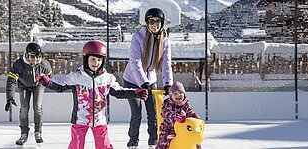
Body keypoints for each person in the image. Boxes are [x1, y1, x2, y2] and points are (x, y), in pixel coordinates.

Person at [35, 40, 149, 149]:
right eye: (93, 59)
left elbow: (119, 92)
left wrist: (135, 93)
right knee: (76, 145)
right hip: (80, 119)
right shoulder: (77, 77)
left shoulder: (107, 78)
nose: (96, 63)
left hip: (100, 120)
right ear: (86, 59)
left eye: (99, 60)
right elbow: (59, 86)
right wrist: (46, 81)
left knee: (103, 145)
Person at [123, 7, 173, 149]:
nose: (154, 24)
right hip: (132, 80)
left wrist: (168, 83)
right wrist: (142, 83)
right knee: (136, 113)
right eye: (151, 21)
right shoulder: (138, 37)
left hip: (150, 81)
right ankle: (133, 143)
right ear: (147, 23)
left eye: (157, 21)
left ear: (162, 23)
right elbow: (135, 62)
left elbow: (166, 64)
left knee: (153, 113)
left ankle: (153, 142)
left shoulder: (165, 41)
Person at [5, 42, 52, 146]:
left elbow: (49, 76)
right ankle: (24, 134)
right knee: (24, 108)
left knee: (37, 106)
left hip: (38, 85)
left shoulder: (44, 65)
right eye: (31, 57)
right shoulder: (19, 64)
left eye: (37, 57)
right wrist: (10, 98)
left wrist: (45, 80)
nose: (34, 60)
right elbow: (11, 81)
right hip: (23, 85)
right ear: (26, 55)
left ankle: (38, 132)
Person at [156, 82, 201, 149]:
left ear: (184, 94)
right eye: (175, 93)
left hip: (183, 129)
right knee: (164, 141)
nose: (178, 95)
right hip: (169, 129)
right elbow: (166, 113)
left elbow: (189, 112)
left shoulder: (186, 104)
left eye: (180, 92)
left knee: (195, 140)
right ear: (171, 95)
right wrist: (176, 117)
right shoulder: (168, 104)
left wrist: (193, 115)